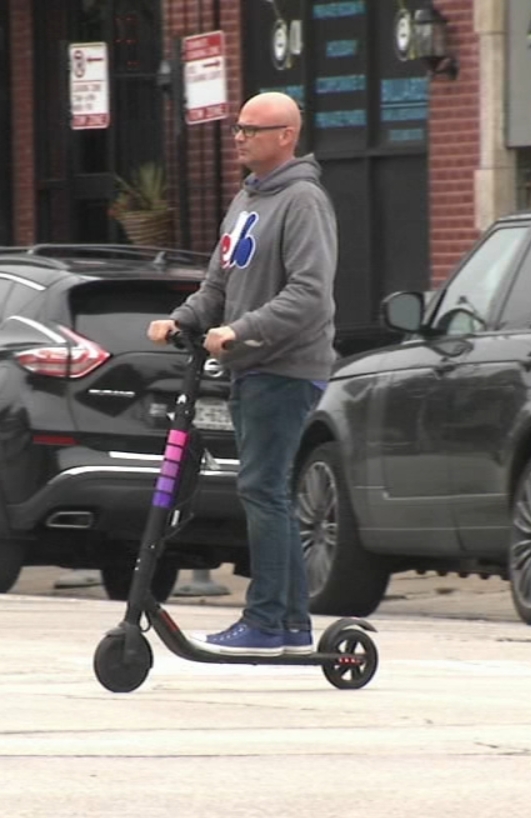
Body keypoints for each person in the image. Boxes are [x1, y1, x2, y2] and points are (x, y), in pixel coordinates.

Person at [147, 91, 337, 657]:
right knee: (266, 489)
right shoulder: (247, 199)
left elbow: (310, 294)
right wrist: (183, 319)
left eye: (253, 130)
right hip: (252, 367)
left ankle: (266, 622)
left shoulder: (303, 200)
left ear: (286, 135)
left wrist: (241, 330)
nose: (240, 137)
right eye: (238, 128)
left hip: (285, 366)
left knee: (263, 489)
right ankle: (292, 628)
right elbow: (218, 285)